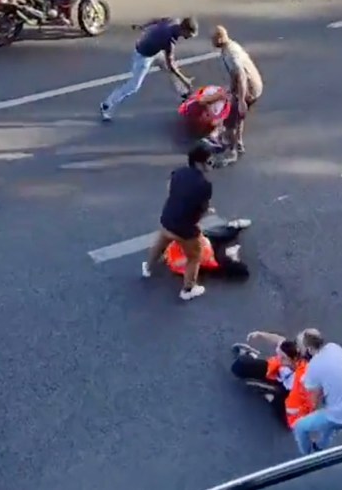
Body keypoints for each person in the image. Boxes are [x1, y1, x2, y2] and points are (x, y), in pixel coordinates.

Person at [140, 143, 214, 301]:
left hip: (167, 219)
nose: (211, 164)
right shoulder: (205, 186)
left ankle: (147, 267)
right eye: (209, 161)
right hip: (185, 229)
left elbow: (171, 190)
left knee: (161, 243)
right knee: (194, 256)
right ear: (199, 163)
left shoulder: (178, 173)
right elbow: (201, 210)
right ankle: (188, 289)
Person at [100, 17, 198, 121]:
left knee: (170, 69)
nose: (190, 37)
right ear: (184, 30)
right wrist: (185, 79)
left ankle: (184, 93)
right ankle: (107, 105)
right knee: (133, 86)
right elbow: (171, 66)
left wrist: (144, 26)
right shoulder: (169, 40)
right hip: (143, 56)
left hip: (154, 49)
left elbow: (157, 20)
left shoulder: (173, 21)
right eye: (190, 35)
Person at [292, 329, 342, 455]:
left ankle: (306, 455)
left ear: (308, 349)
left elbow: (313, 402)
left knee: (300, 428)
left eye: (301, 348)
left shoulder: (313, 367)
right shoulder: (334, 348)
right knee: (329, 419)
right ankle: (320, 446)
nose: (299, 351)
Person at [232, 334, 315, 429]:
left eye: (283, 358)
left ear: (294, 360)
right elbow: (279, 340)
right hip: (275, 374)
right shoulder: (288, 351)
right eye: (278, 354)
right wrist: (259, 334)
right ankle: (250, 356)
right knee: (239, 367)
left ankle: (271, 396)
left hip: (289, 392)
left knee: (288, 423)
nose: (278, 358)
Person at [211, 25, 263, 165]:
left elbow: (241, 76)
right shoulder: (231, 46)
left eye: (213, 39)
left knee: (229, 122)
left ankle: (231, 151)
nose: (212, 42)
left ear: (220, 39)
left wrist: (240, 99)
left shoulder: (231, 54)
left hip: (248, 89)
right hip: (255, 86)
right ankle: (238, 143)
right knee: (239, 116)